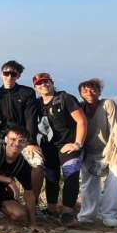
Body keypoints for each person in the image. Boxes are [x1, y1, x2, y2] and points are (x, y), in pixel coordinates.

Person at [34, 73, 87, 224]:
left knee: (70, 176)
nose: (43, 85)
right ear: (36, 88)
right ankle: (52, 210)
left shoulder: (65, 98)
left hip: (68, 144)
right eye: (39, 83)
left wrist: (77, 143)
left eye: (46, 81)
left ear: (52, 83)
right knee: (51, 177)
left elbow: (81, 121)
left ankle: (68, 213)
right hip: (48, 146)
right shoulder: (37, 104)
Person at [76, 79, 117, 227]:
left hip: (110, 149)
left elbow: (115, 130)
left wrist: (114, 154)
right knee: (88, 183)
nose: (89, 93)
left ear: (99, 91)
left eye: (93, 90)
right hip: (89, 151)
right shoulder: (80, 108)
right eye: (85, 91)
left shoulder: (108, 104)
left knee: (116, 177)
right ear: (81, 94)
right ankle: (87, 215)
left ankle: (109, 214)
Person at [0, 60, 40, 144]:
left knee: (36, 157)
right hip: (2, 138)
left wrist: (30, 142)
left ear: (18, 76)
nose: (9, 77)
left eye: (13, 74)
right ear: (1, 74)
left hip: (23, 137)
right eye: (6, 73)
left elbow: (31, 119)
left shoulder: (27, 92)